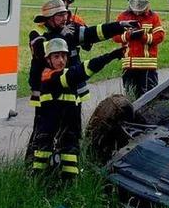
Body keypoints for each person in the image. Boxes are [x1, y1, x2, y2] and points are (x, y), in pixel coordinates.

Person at [29, 38, 124, 177]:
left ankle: (67, 194)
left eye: (64, 56)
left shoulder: (65, 77)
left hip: (69, 134)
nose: (61, 60)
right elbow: (80, 71)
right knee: (41, 173)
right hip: (48, 135)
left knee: (71, 171)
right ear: (48, 59)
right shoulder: (49, 76)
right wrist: (110, 56)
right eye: (56, 56)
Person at [113, 0, 165, 98]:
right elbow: (115, 36)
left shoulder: (153, 17)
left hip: (148, 66)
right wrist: (128, 36)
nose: (137, 13)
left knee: (150, 98)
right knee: (131, 97)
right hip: (129, 65)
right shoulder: (123, 17)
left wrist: (143, 37)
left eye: (140, 10)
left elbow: (160, 36)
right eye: (135, 10)